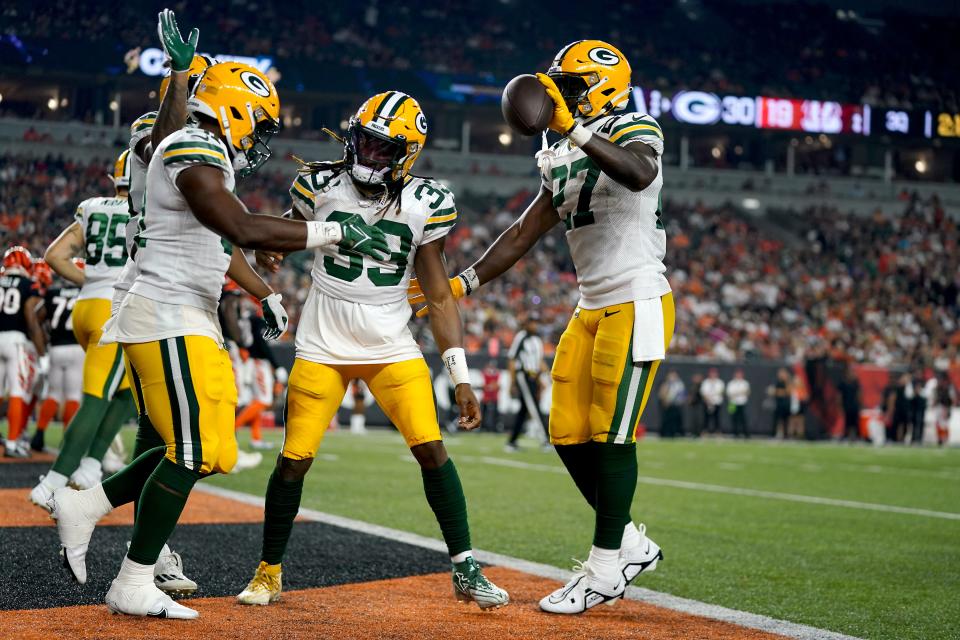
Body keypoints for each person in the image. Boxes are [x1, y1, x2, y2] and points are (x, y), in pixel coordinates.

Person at [46, 58, 350, 620]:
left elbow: (218, 239)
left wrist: (263, 290)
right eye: (257, 121)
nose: (257, 136)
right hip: (166, 312)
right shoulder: (191, 146)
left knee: (215, 451)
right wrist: (333, 231)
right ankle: (132, 579)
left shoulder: (198, 151)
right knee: (190, 452)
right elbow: (240, 227)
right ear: (234, 107)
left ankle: (86, 503)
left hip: (186, 312)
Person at [409, 39, 671, 613]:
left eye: (571, 85)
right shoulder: (560, 151)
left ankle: (606, 567)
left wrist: (576, 128)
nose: (559, 95)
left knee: (610, 434)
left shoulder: (633, 126)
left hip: (637, 296)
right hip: (590, 303)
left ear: (602, 87)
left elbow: (638, 172)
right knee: (565, 431)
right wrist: (461, 284)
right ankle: (626, 541)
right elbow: (525, 231)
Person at [239, 90, 509, 610]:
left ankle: (465, 566)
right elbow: (279, 231)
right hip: (321, 345)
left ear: (407, 152)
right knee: (294, 461)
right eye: (363, 141)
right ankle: (269, 570)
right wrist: (270, 248)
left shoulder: (426, 203)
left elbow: (436, 294)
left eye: (384, 148)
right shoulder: (317, 183)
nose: (368, 154)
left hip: (391, 346)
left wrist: (461, 375)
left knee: (432, 450)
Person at [30, 150, 140, 501]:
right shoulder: (149, 211)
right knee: (96, 398)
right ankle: (53, 482)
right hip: (117, 308)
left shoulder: (92, 206)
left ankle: (91, 465)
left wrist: (88, 281)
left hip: (87, 305)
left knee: (128, 391)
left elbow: (54, 255)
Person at [31, 260, 83, 451]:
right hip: (77, 348)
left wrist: (45, 337)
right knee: (72, 395)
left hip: (55, 348)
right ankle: (67, 441)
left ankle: (38, 435)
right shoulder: (85, 293)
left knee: (53, 394)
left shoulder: (53, 293)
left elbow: (36, 317)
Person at [0, 246, 45, 457]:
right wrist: (41, 352)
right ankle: (11, 444)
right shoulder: (29, 283)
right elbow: (31, 316)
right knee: (18, 391)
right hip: (16, 341)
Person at [505, 313, 548, 452]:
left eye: (537, 322)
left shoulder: (538, 340)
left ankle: (511, 442)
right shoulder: (521, 337)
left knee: (524, 410)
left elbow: (539, 361)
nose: (535, 325)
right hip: (524, 375)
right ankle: (546, 440)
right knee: (535, 407)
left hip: (534, 377)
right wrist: (512, 382)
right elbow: (512, 358)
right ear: (527, 323)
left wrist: (545, 377)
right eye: (532, 322)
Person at [657, 370, 685, 438]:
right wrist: (664, 401)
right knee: (666, 419)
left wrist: (680, 401)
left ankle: (674, 433)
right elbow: (661, 393)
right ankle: (665, 433)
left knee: (675, 419)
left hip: (675, 404)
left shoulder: (679, 384)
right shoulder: (666, 383)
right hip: (667, 404)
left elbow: (682, 394)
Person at [837, 366, 861, 441]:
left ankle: (855, 437)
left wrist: (860, 403)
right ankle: (846, 436)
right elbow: (839, 395)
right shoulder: (843, 383)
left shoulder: (856, 382)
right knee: (847, 422)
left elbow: (859, 394)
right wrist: (839, 405)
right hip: (846, 405)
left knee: (855, 422)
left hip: (854, 405)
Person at [726, 369, 750, 438]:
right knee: (733, 419)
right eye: (737, 374)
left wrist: (737, 393)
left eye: (740, 374)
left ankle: (746, 434)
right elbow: (729, 394)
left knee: (743, 419)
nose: (738, 376)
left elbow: (747, 392)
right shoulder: (731, 383)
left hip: (742, 403)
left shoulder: (745, 383)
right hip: (732, 404)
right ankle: (735, 434)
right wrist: (740, 392)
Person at [700, 368, 725, 435]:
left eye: (714, 373)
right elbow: (703, 393)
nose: (713, 375)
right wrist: (708, 401)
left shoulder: (720, 382)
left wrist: (713, 399)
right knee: (706, 418)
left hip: (717, 403)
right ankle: (705, 432)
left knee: (717, 418)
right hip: (707, 403)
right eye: (712, 373)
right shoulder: (706, 382)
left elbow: (721, 392)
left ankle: (718, 432)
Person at [481, 360, 501, 432]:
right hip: (486, 396)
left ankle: (494, 427)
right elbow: (482, 384)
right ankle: (482, 427)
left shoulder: (497, 374)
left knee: (495, 413)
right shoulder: (484, 373)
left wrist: (492, 387)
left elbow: (498, 385)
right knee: (483, 412)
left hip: (494, 396)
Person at [771, 368, 791, 438]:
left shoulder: (787, 382)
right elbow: (774, 392)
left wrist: (780, 392)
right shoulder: (777, 382)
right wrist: (780, 392)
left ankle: (785, 435)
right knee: (776, 420)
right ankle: (774, 434)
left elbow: (788, 392)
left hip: (785, 404)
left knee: (785, 420)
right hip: (778, 404)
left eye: (783, 373)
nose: (781, 375)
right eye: (780, 373)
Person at [688, 373, 705, 437]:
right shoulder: (692, 386)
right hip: (693, 405)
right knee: (693, 420)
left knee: (699, 420)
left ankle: (699, 433)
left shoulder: (702, 386)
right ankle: (693, 433)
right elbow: (690, 396)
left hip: (700, 405)